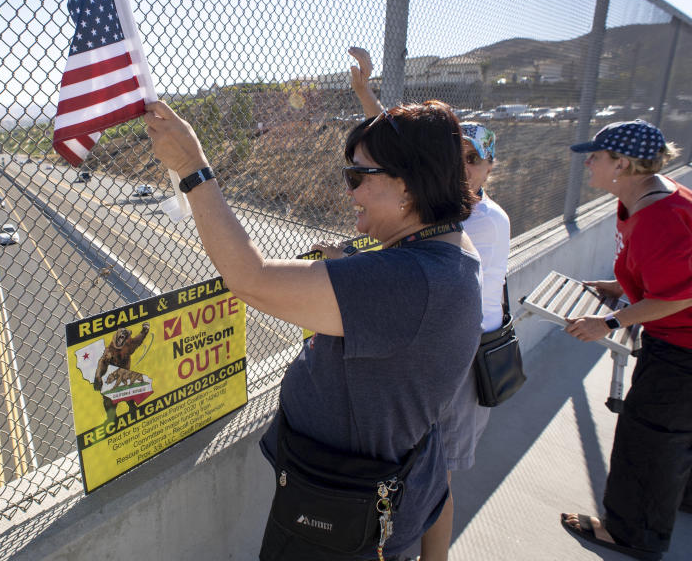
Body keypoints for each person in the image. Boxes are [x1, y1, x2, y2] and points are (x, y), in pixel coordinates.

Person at [144, 98, 483, 561]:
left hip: (342, 516)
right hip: (389, 485)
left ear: (407, 187)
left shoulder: (404, 283)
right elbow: (406, 294)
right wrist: (358, 265)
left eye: (358, 176)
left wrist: (192, 167)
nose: (351, 191)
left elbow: (252, 279)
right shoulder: (454, 247)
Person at [315, 48, 511, 561]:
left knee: (433, 475)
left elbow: (407, 211)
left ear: (488, 166)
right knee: (423, 466)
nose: (462, 165)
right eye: (458, 156)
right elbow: (397, 163)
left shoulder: (476, 219)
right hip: (447, 342)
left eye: (473, 158)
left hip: (459, 357)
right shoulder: (457, 212)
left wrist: (352, 254)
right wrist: (365, 96)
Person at [560, 120, 692, 561]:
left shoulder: (659, 217)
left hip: (683, 350)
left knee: (650, 438)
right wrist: (624, 286)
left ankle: (632, 534)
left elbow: (680, 294)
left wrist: (610, 323)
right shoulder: (651, 196)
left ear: (623, 164)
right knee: (678, 434)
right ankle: (680, 497)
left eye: (596, 157)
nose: (589, 164)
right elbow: (663, 271)